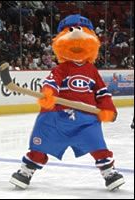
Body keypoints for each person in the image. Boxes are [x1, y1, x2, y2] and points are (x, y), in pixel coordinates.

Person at [9, 14, 125, 191]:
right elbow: (51, 83)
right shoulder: (61, 69)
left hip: (85, 118)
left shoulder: (92, 70)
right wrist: (48, 94)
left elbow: (102, 93)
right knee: (41, 142)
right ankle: (27, 170)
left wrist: (107, 108)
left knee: (96, 143)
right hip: (57, 116)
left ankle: (109, 172)